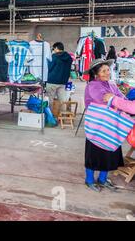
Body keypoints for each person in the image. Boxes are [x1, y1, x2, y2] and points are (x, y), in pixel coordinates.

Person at [83, 59, 125, 192]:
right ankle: (89, 180)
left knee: (109, 152)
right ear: (96, 74)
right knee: (94, 153)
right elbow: (104, 99)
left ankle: (102, 179)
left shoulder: (112, 85)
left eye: (108, 70)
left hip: (111, 125)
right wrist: (115, 99)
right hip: (97, 126)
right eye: (103, 71)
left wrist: (117, 99)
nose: (107, 73)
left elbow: (120, 98)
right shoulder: (93, 86)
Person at [46, 42, 73, 112]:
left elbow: (49, 68)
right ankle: (62, 118)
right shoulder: (69, 58)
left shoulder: (54, 56)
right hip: (63, 82)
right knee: (62, 101)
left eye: (54, 49)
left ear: (57, 48)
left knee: (50, 101)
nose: (53, 50)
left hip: (52, 81)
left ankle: (50, 118)